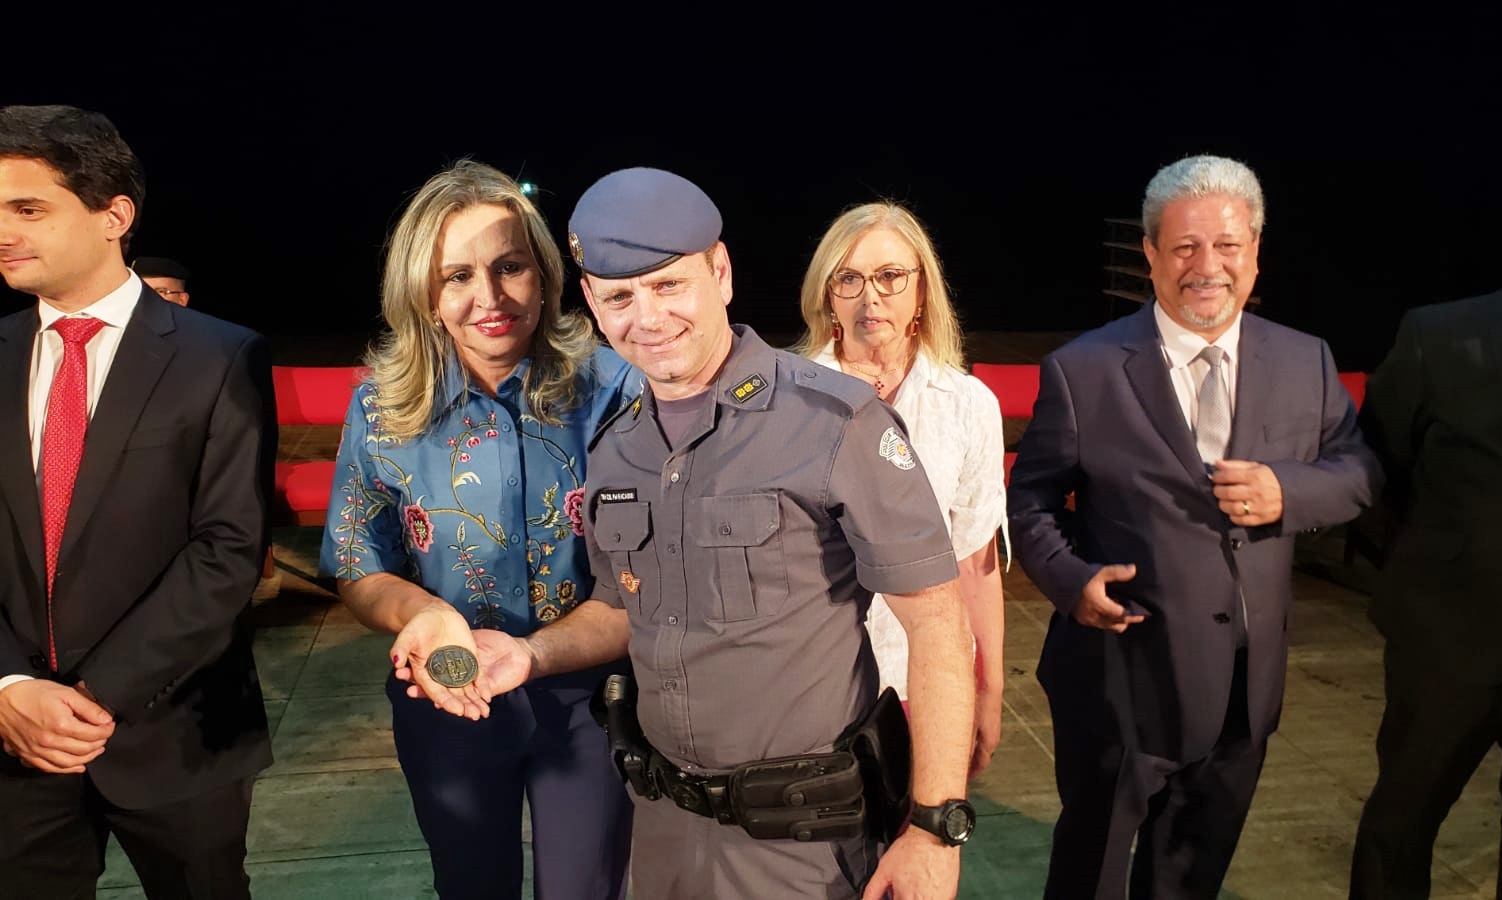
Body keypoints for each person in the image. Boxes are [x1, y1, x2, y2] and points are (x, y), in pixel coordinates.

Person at [396, 167, 978, 900]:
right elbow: (618, 609)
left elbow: (937, 625)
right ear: (593, 305)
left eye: (669, 285)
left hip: (805, 847)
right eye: (620, 297)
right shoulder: (617, 449)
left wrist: (934, 828)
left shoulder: (836, 424)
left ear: (720, 273)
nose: (648, 317)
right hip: (664, 835)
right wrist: (530, 653)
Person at [1008, 154, 1381, 899]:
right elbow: (1030, 502)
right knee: (1091, 873)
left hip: (1246, 687)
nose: (1207, 266)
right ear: (1150, 254)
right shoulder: (1084, 369)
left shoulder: (1305, 360)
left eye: (1227, 245)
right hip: (1120, 680)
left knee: (1190, 878)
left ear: (1255, 253)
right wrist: (1073, 580)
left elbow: (1359, 471)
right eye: (1184, 247)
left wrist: (1287, 491)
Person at [318, 160, 637, 899]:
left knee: (588, 889)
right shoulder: (381, 410)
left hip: (591, 697)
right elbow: (358, 565)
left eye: (509, 267)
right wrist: (425, 614)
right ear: (424, 294)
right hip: (447, 691)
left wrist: (539, 654)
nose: (488, 298)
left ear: (545, 275)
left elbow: (643, 579)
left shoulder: (619, 391)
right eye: (456, 276)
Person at [0, 105, 275, 898]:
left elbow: (228, 549)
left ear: (114, 215)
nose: (5, 231)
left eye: (28, 208)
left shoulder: (219, 356)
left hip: (178, 727)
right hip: (16, 739)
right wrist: (11, 689)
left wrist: (91, 699)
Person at [1350, 145, 1502, 899]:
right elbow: (1378, 470)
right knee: (1400, 830)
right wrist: (1425, 593)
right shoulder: (1442, 335)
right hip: (1450, 636)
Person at [795, 201, 1005, 776]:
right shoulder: (787, 398)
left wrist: (988, 689)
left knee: (920, 830)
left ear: (921, 291)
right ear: (827, 295)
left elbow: (975, 562)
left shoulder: (967, 406)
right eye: (849, 278)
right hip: (807, 685)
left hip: (927, 681)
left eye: (890, 276)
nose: (871, 297)